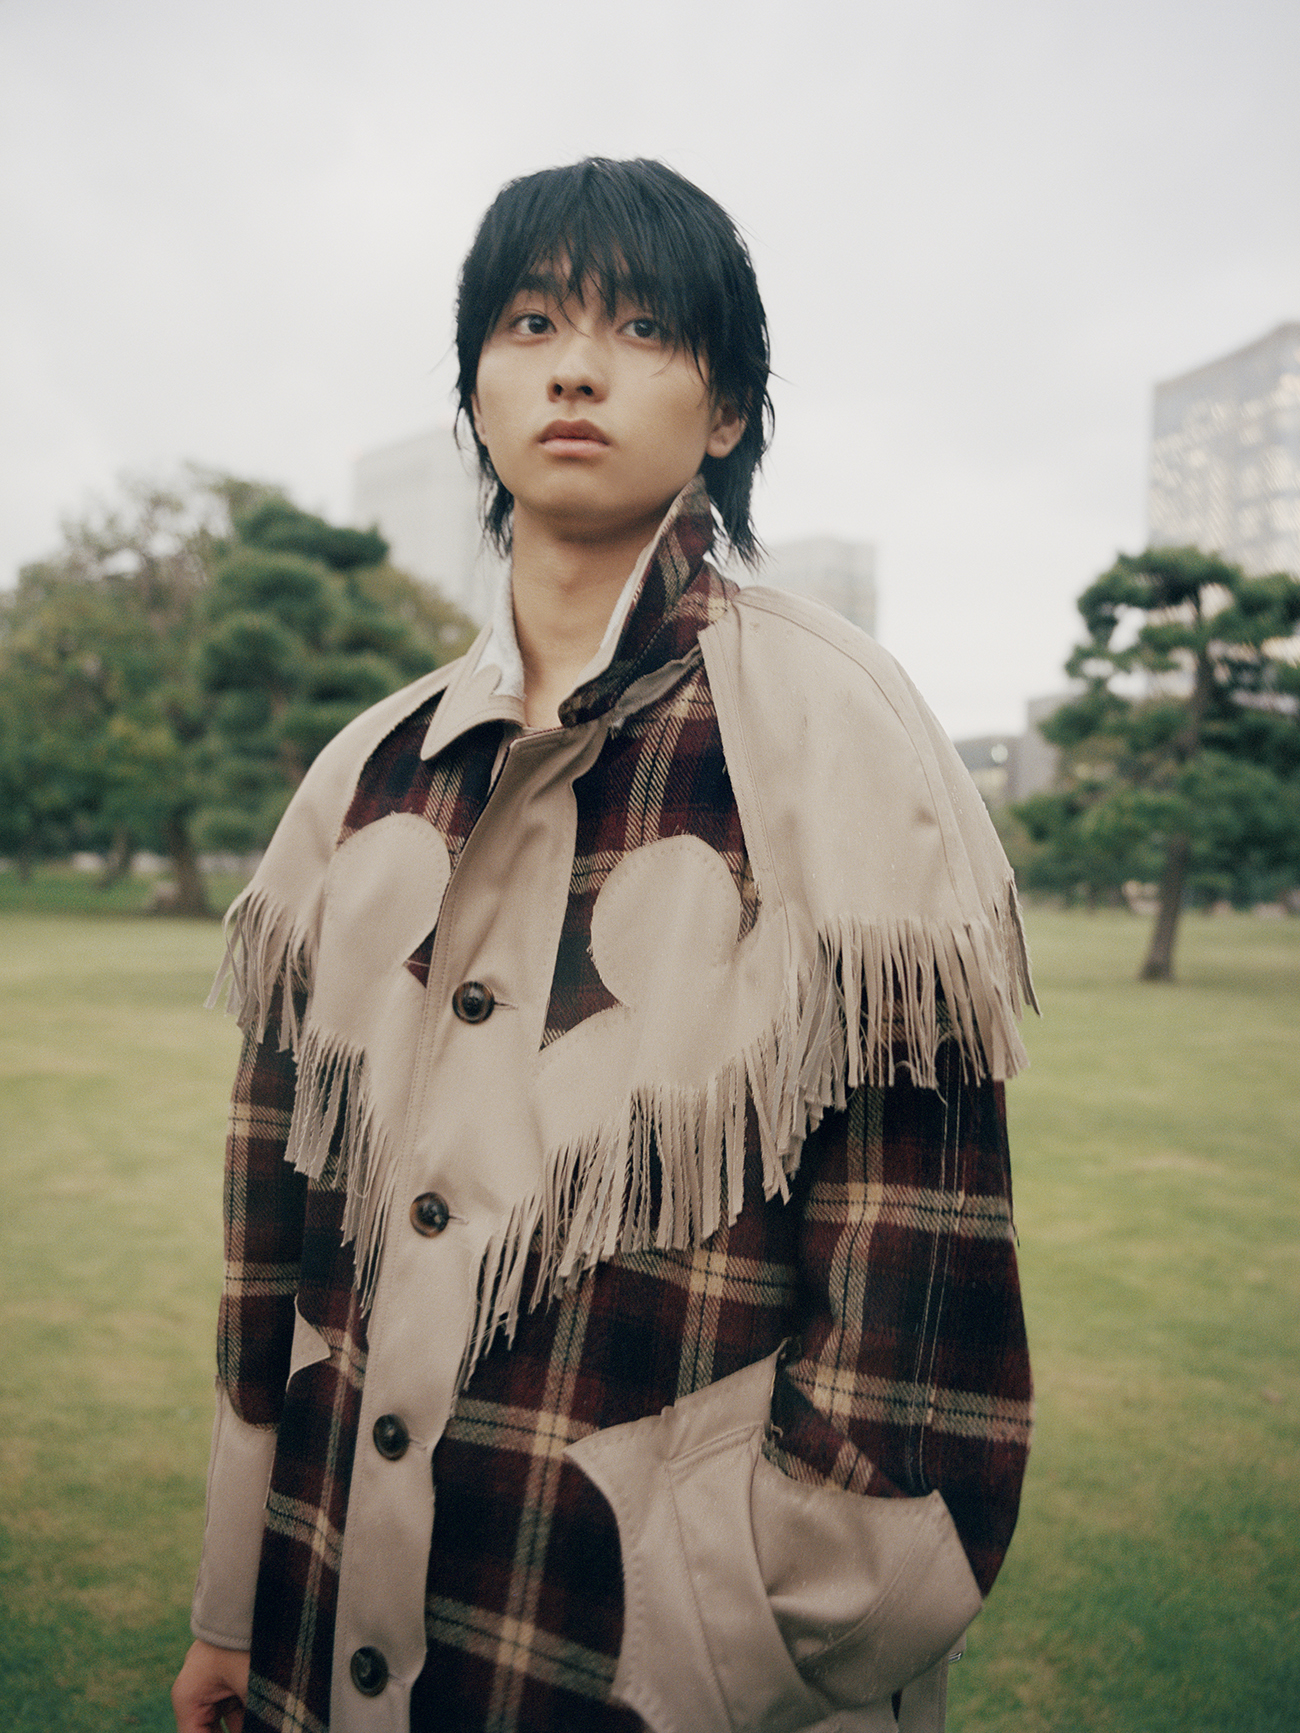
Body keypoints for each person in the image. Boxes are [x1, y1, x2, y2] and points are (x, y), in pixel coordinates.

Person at [173, 157, 1033, 1733]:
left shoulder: (836, 730)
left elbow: (918, 1258)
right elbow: (267, 1231)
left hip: (657, 1660)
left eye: (641, 326)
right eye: (530, 323)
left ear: (728, 409)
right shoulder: (368, 770)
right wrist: (236, 1594)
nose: (576, 365)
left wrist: (756, 1620)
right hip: (322, 1611)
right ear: (476, 393)